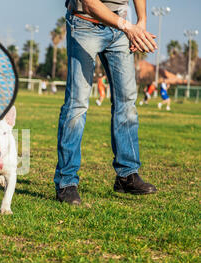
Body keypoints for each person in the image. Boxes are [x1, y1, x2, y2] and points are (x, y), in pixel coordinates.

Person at [55, 0, 158, 205]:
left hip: (120, 29)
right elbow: (90, 3)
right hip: (85, 23)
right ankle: (66, 182)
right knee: (77, 104)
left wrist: (142, 21)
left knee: (127, 101)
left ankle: (127, 175)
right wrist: (128, 27)